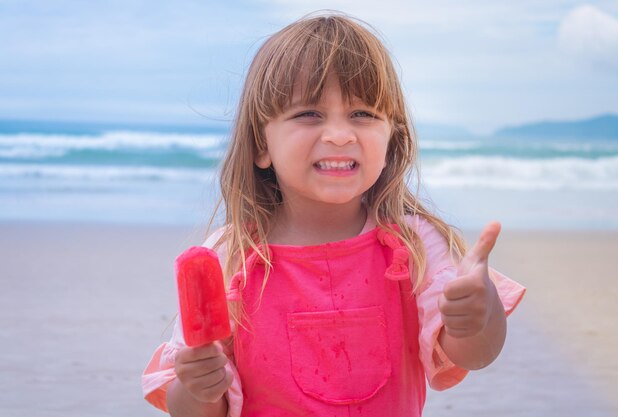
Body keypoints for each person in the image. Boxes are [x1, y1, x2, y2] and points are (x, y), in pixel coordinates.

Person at [142, 13, 525, 417]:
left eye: (363, 114)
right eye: (309, 114)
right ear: (261, 145)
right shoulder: (231, 258)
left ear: (391, 137)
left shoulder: (415, 246)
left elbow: (474, 354)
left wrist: (478, 317)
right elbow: (197, 411)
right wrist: (198, 386)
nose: (340, 135)